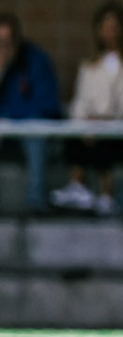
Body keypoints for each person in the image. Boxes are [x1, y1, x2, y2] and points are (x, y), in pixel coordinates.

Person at [52, 0, 123, 217]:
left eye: (114, 27)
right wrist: (84, 122)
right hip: (94, 125)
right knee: (73, 133)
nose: (110, 33)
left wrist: (105, 118)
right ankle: (78, 186)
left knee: (104, 137)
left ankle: (108, 195)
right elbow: (79, 101)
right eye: (105, 27)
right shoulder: (89, 64)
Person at [0, 11, 63, 212]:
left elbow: (47, 104)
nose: (3, 49)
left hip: (30, 130)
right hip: (4, 130)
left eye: (7, 42)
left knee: (35, 133)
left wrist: (11, 115)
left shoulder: (36, 61)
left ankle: (36, 204)